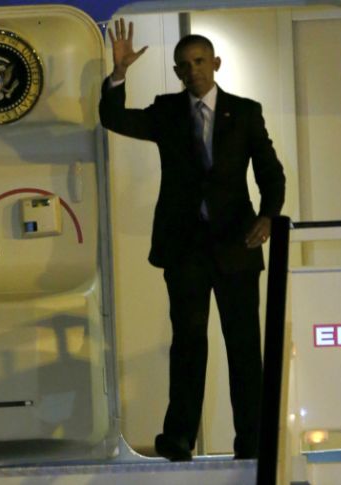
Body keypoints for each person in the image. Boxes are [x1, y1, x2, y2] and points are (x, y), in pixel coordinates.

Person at [99, 18, 286, 461]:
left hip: (237, 244)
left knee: (244, 345)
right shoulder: (166, 111)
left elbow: (271, 172)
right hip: (185, 248)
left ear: (215, 63)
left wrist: (267, 217)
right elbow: (114, 118)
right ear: (177, 71)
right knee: (187, 342)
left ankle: (253, 439)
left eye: (200, 61)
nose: (193, 70)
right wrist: (119, 74)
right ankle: (179, 437)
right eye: (184, 65)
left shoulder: (245, 112)